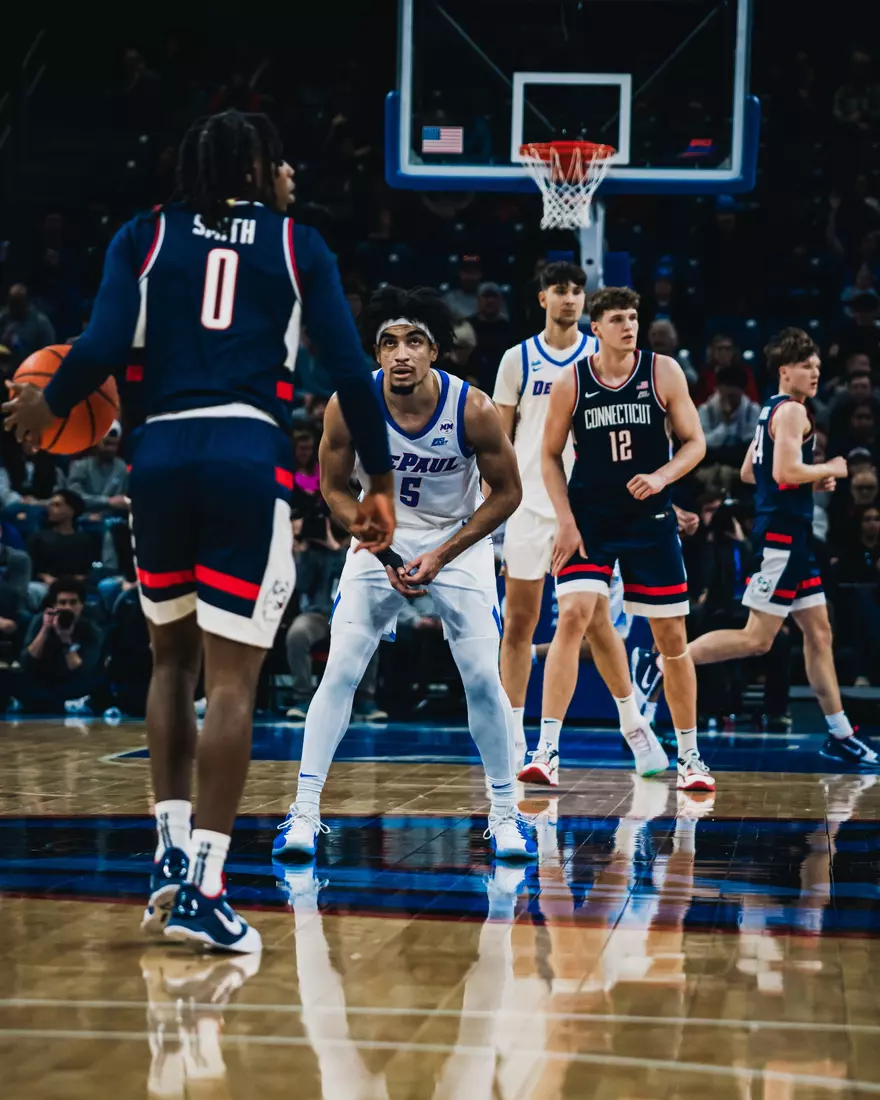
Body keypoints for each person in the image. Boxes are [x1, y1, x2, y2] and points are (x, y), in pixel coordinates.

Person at [3, 110, 396, 954]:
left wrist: (50, 403)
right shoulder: (298, 245)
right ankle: (208, 886)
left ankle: (169, 855)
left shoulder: (143, 237)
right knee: (232, 682)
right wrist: (382, 477)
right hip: (242, 453)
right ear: (254, 168)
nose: (290, 174)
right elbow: (349, 369)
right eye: (280, 161)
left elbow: (104, 341)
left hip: (159, 458)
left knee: (170, 660)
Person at [273, 286, 536, 862]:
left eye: (414, 341)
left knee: (482, 678)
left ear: (434, 352)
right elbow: (334, 490)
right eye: (389, 341)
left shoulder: (474, 408)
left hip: (456, 541)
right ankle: (305, 810)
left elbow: (510, 493)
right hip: (379, 532)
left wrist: (442, 554)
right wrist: (374, 540)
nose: (400, 353)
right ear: (376, 351)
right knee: (339, 668)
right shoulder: (350, 402)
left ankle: (505, 812)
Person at [633, 328, 880, 769]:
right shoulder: (792, 413)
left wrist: (808, 477)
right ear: (786, 371)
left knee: (819, 633)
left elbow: (752, 472)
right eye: (807, 366)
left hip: (793, 535)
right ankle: (660, 663)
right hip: (782, 537)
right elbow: (784, 471)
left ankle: (841, 734)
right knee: (757, 640)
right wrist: (829, 467)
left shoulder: (770, 410)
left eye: (819, 366)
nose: (816, 373)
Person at [537, 286, 713, 792]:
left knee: (672, 642)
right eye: (617, 319)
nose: (629, 326)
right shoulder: (572, 381)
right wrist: (565, 521)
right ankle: (547, 750)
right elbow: (549, 456)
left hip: (649, 521)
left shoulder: (663, 372)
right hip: (590, 519)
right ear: (597, 328)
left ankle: (690, 756)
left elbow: (695, 442)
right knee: (573, 616)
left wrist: (661, 478)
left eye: (633, 317)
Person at [491, 262, 596, 768]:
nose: (571, 299)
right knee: (519, 625)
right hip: (528, 507)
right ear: (542, 299)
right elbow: (498, 440)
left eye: (577, 291)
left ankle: (556, 743)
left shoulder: (599, 356)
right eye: (561, 291)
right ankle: (513, 733)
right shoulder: (517, 359)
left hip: (585, 507)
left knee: (588, 625)